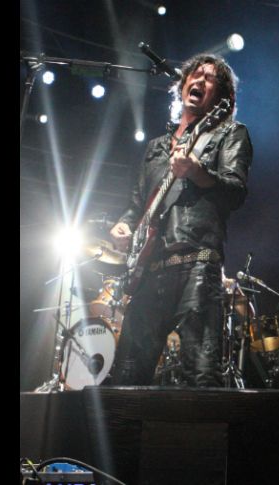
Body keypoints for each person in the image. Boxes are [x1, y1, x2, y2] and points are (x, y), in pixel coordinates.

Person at [108, 53, 253, 387]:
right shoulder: (156, 148)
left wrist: (197, 172)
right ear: (183, 84)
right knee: (127, 374)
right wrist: (124, 226)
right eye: (195, 74)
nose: (200, 80)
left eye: (210, 78)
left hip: (197, 265)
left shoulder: (229, 134)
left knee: (201, 375)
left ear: (222, 96)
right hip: (150, 270)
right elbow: (136, 206)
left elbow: (236, 193)